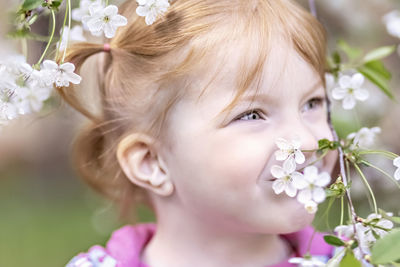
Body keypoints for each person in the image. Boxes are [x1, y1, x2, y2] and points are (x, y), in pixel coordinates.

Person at [63, 0, 338, 266]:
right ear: (151, 162)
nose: (308, 141)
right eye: (251, 115)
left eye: (312, 103)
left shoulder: (347, 260)